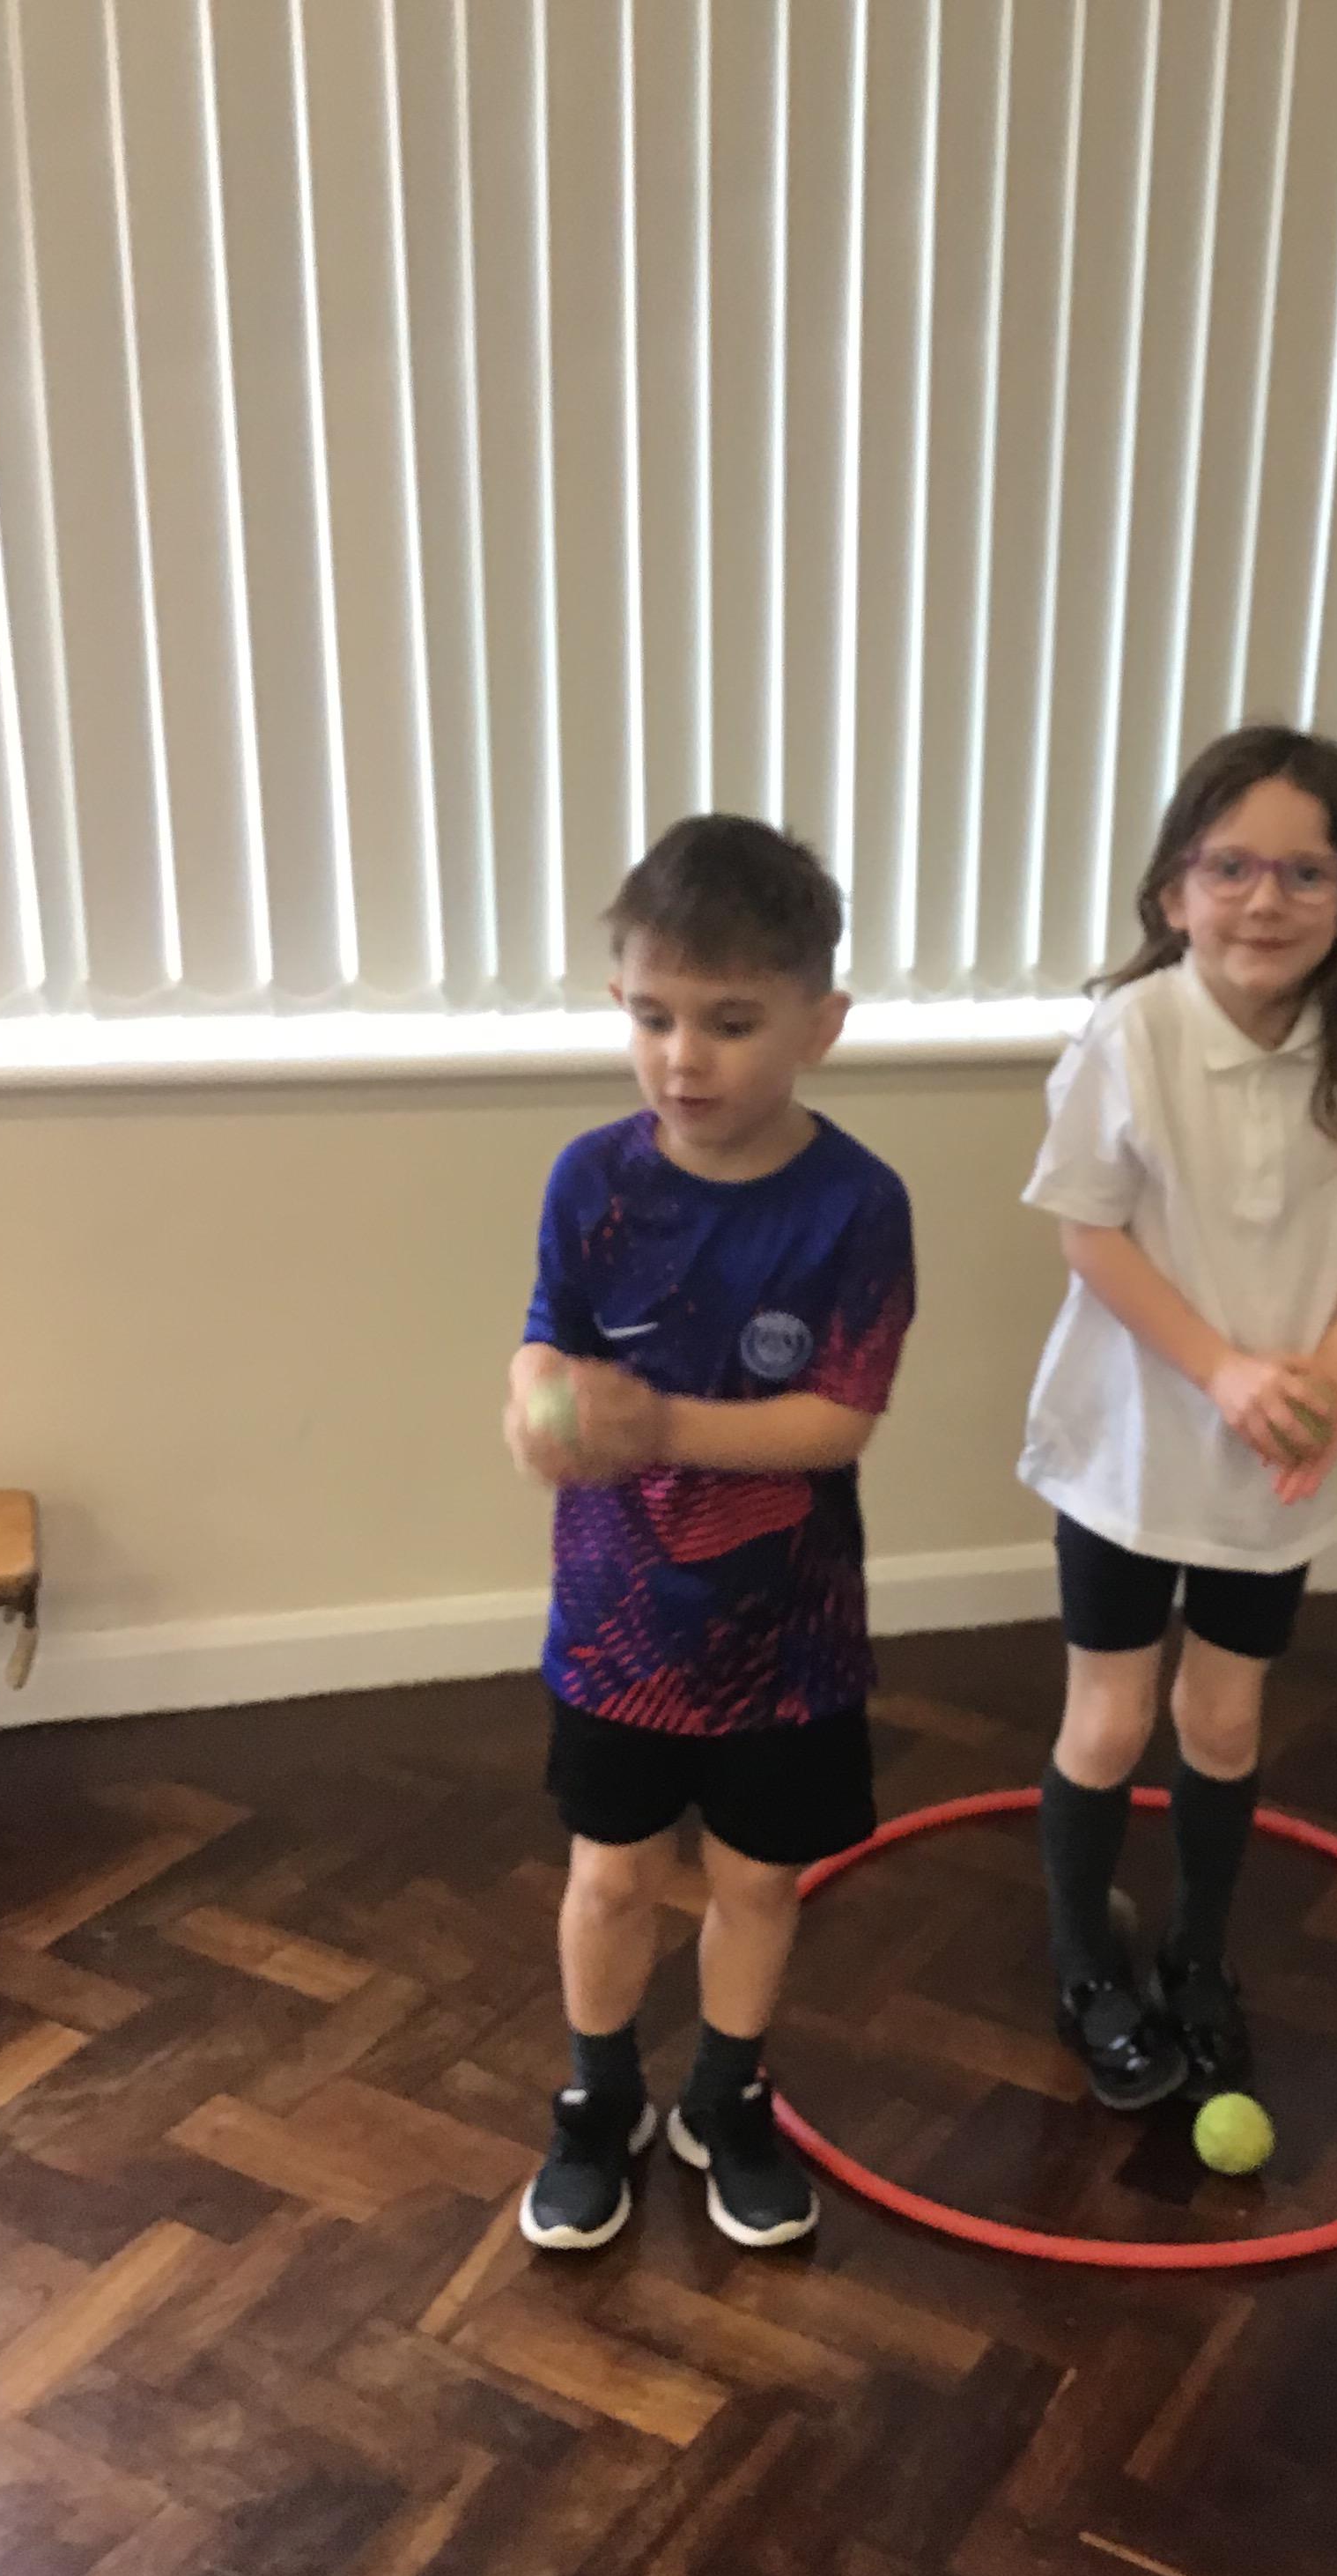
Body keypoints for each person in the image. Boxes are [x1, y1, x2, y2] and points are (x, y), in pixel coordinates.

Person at [1019, 725, 1337, 2108]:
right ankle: (1085, 1966)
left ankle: (1199, 1957)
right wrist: (1221, 1372)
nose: (1267, 901)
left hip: (1277, 1458)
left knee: (1222, 1720)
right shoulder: (1130, 1036)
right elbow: (1090, 1235)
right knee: (1109, 1722)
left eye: (1305, 873)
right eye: (1231, 868)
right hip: (1130, 1448)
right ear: (1174, 891)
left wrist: (1336, 1364)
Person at [505, 816, 913, 2251]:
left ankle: (727, 2096)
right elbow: (547, 1339)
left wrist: (656, 1425)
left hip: (788, 1639)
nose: (684, 1058)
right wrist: (533, 1399)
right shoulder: (592, 1182)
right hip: (616, 1625)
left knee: (756, 1879)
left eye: (731, 1023)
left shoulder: (858, 1204)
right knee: (611, 1873)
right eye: (653, 1016)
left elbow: (837, 1420)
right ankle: (598, 2096)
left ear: (820, 1025)